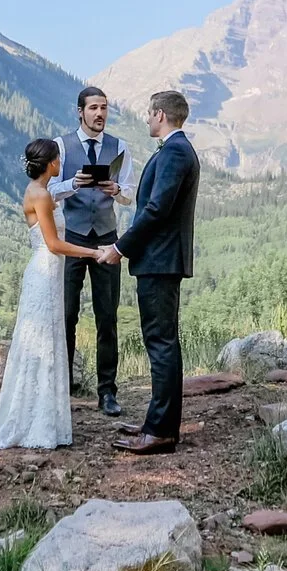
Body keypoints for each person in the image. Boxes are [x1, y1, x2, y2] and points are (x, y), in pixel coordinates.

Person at [0, 138, 115, 451]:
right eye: (58, 158)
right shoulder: (41, 195)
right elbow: (55, 244)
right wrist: (94, 252)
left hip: (48, 271)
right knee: (44, 341)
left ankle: (43, 415)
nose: (61, 161)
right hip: (46, 272)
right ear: (52, 163)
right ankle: (37, 420)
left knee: (47, 340)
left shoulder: (41, 192)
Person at [105, 89, 199, 456]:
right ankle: (157, 423)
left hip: (159, 261)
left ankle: (161, 431)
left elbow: (157, 209)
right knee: (161, 342)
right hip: (159, 260)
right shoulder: (176, 150)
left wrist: (120, 247)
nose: (146, 119)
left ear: (161, 115)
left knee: (161, 344)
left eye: (148, 114)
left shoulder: (175, 151)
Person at [48, 85, 127, 416]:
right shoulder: (61, 146)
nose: (100, 114)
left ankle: (107, 392)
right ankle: (61, 390)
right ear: (79, 111)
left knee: (107, 317)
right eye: (94, 108)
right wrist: (73, 184)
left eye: (104, 108)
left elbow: (130, 194)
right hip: (74, 239)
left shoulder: (119, 146)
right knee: (67, 315)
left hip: (107, 236)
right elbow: (48, 191)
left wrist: (117, 188)